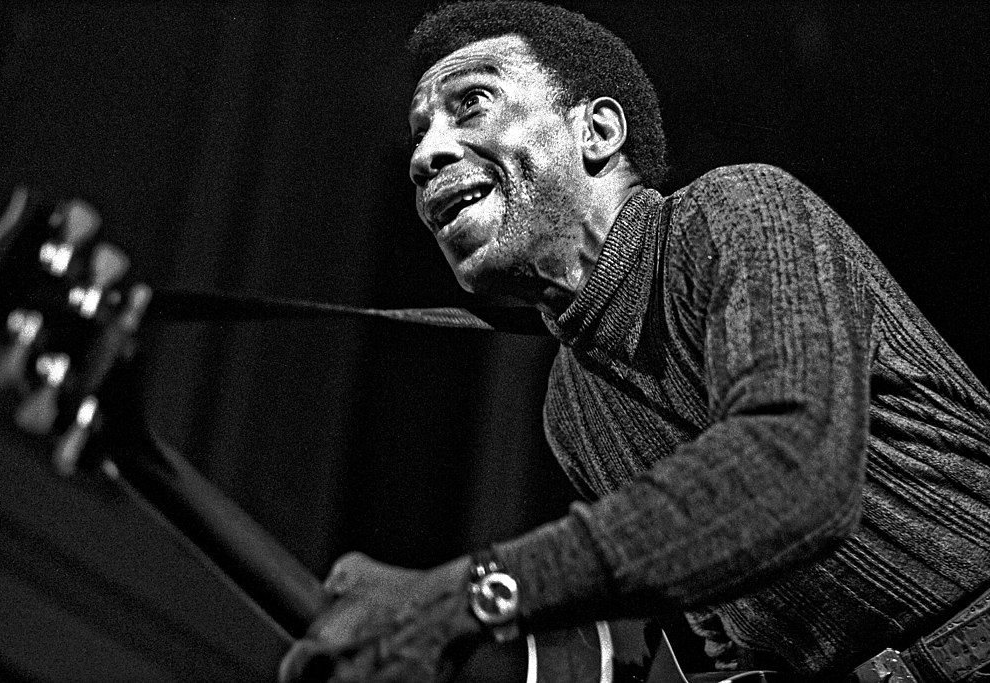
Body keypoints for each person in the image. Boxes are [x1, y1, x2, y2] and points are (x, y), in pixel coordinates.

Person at [280, 1, 990, 681]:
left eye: (470, 104)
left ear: (596, 133)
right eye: (418, 133)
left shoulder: (736, 211)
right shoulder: (570, 405)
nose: (426, 155)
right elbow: (723, 621)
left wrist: (464, 597)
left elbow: (794, 469)